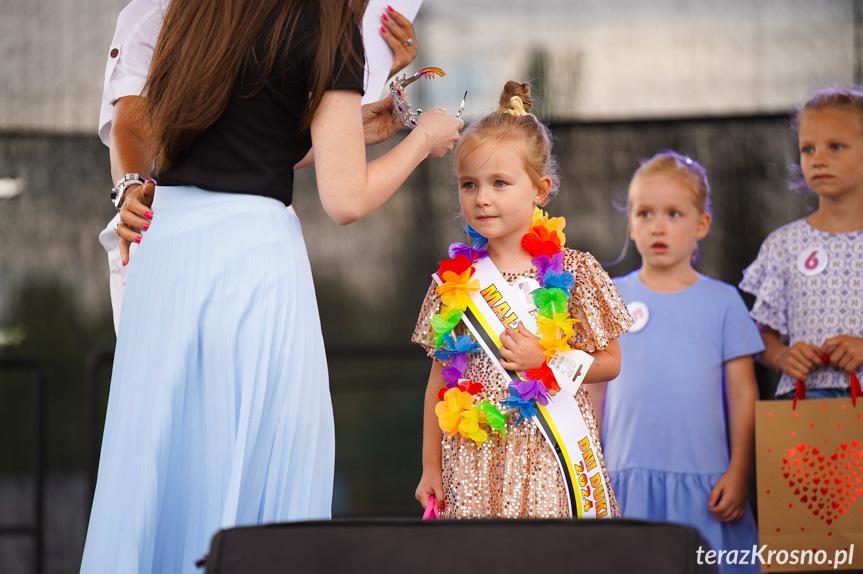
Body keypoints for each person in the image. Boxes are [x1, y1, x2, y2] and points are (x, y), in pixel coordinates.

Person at [81, 0, 463, 571]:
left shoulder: (195, 12)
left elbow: (242, 140)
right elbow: (346, 199)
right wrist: (422, 139)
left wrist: (360, 119)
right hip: (251, 260)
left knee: (157, 465)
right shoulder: (327, 24)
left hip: (167, 254)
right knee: (258, 461)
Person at [98, 0, 421, 332]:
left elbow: (256, 140)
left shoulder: (295, 19)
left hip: (226, 239)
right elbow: (134, 127)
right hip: (198, 235)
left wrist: (363, 88)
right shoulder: (165, 10)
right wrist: (130, 187)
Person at [412, 81, 631, 519]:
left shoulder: (575, 272)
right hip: (473, 459)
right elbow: (438, 380)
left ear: (540, 189)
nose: (483, 198)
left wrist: (547, 361)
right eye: (469, 184)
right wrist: (429, 466)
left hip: (550, 458)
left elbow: (611, 362)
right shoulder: (453, 284)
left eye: (499, 182)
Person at [596, 151, 762, 573]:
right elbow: (594, 388)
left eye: (673, 213)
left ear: (701, 224)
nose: (658, 226)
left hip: (704, 484)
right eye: (645, 213)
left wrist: (739, 472)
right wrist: (591, 470)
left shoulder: (724, 302)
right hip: (622, 479)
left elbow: (744, 395)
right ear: (630, 223)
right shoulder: (609, 296)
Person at [739, 86, 863, 400]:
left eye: (835, 146)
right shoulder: (784, 244)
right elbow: (763, 339)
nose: (818, 159)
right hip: (803, 404)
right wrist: (782, 356)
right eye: (808, 149)